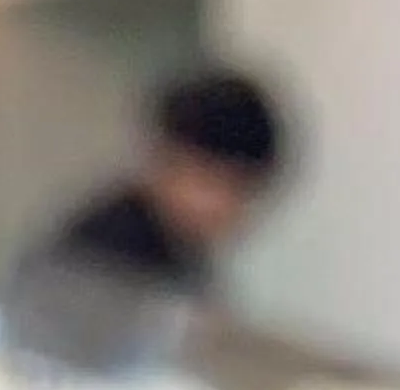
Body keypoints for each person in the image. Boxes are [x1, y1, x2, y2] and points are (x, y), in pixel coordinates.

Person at [20, 67, 290, 306]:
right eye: (213, 182)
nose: (227, 207)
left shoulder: (180, 252)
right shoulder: (107, 255)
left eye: (244, 190)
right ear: (162, 158)